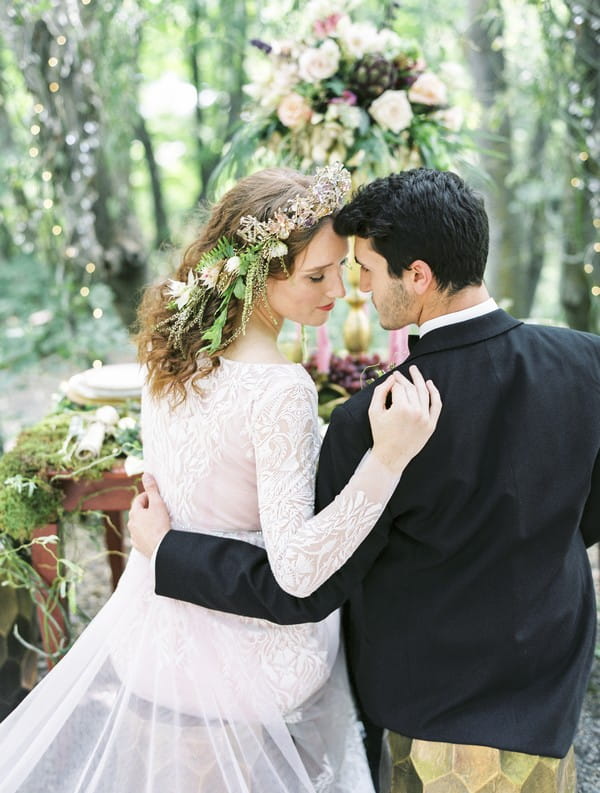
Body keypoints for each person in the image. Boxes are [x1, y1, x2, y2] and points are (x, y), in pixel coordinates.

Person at [129, 168, 600, 793]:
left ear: (419, 276)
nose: (358, 290)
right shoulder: (587, 361)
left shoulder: (373, 420)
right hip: (550, 686)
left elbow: (303, 589)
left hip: (423, 703)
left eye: (368, 272)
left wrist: (168, 552)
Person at [0, 163, 442, 793]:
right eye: (317, 275)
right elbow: (298, 569)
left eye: (343, 269)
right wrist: (387, 461)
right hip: (251, 653)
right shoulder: (280, 388)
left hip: (154, 629)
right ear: (258, 276)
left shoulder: (171, 353)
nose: (339, 289)